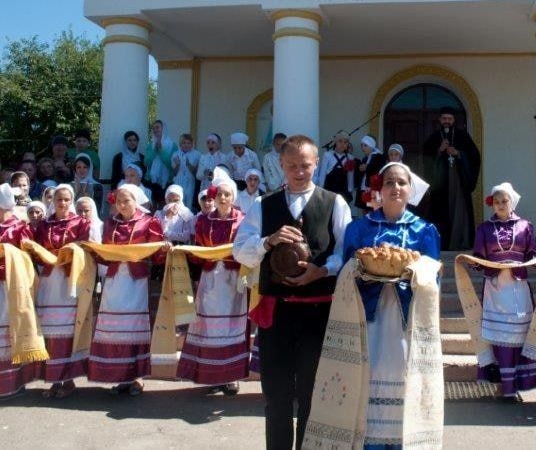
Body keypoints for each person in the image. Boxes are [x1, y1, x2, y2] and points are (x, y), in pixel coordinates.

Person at [233, 134, 351, 449]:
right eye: (292, 166)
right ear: (281, 165)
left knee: (313, 392)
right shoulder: (264, 204)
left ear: (316, 164)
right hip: (278, 311)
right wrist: (267, 241)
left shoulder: (334, 202)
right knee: (277, 394)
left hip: (318, 310)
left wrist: (322, 270)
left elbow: (347, 252)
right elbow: (240, 252)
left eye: (305, 165)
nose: (299, 172)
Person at [339, 161, 441, 445]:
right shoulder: (359, 228)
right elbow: (346, 270)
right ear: (379, 189)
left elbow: (433, 276)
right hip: (368, 314)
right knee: (368, 376)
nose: (395, 188)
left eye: (401, 183)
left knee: (403, 375)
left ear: (410, 190)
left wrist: (411, 273)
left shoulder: (424, 230)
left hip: (405, 316)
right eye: (389, 183)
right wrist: (365, 271)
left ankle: (400, 441)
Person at [472, 182, 536, 401]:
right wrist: (471, 263)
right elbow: (479, 257)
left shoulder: (525, 226)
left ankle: (515, 385)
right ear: (491, 204)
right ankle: (501, 385)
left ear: (511, 202)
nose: (501, 205)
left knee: (519, 335)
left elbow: (531, 253)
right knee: (498, 336)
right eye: (497, 202)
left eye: (505, 201)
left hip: (517, 287)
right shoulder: (484, 228)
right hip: (495, 287)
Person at [88, 184, 167, 395]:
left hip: (135, 281)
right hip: (114, 280)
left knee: (133, 328)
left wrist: (163, 248)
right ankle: (120, 376)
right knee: (115, 330)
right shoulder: (110, 222)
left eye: (127, 201)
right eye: (119, 201)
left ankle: (138, 378)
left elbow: (157, 256)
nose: (122, 205)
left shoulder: (149, 221)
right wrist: (91, 250)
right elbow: (105, 251)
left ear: (137, 200)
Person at [177, 169, 248, 394]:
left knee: (231, 326)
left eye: (227, 194)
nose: (223, 198)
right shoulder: (203, 221)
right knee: (209, 328)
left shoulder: (243, 221)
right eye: (219, 194)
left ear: (233, 197)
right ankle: (211, 375)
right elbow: (198, 250)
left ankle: (231, 376)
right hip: (210, 279)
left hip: (233, 280)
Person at [33, 184, 92, 399]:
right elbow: (37, 250)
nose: (63, 203)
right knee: (49, 330)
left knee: (67, 331)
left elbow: (85, 248)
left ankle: (68, 379)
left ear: (72, 201)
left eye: (67, 199)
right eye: (59, 199)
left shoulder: (81, 223)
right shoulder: (44, 225)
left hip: (70, 281)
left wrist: (69, 252)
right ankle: (53, 379)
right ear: (52, 201)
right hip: (50, 281)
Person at [422, 107, 481, 250]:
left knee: (459, 211)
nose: (447, 121)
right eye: (444, 119)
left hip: (458, 181)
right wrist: (439, 150)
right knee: (440, 213)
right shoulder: (434, 138)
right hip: (440, 185)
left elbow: (475, 157)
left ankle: (460, 242)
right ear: (440, 120)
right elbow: (425, 159)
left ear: (454, 120)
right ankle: (441, 244)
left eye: (449, 119)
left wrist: (459, 153)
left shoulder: (463, 136)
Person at [0, 183, 36, 399]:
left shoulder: (19, 227)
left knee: (8, 328)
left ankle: (11, 383)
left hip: (9, 284)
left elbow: (27, 255)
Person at [314, 131, 355, 203]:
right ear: (335, 142)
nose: (343, 144)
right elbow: (322, 173)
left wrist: (350, 189)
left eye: (345, 142)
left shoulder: (350, 158)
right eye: (340, 141)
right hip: (330, 188)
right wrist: (320, 188)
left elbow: (350, 175)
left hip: (343, 189)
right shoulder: (327, 155)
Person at [144, 120, 178, 205]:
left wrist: (162, 151)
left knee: (166, 207)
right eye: (153, 128)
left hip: (167, 181)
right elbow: (146, 163)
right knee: (152, 207)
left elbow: (171, 165)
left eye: (157, 127)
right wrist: (154, 151)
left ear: (164, 129)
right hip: (151, 180)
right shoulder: (150, 145)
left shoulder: (173, 145)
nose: (155, 130)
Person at [354, 135, 386, 212]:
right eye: (362, 145)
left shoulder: (379, 157)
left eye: (365, 145)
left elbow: (379, 170)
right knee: (364, 207)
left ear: (371, 146)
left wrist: (367, 168)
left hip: (373, 187)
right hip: (364, 186)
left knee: (373, 207)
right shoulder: (365, 158)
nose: (363, 148)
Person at [171, 134, 200, 209]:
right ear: (180, 144)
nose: (186, 145)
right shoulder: (175, 154)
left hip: (190, 183)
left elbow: (196, 173)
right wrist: (177, 165)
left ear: (192, 144)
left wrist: (188, 164)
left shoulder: (197, 155)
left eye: (188, 143)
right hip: (178, 182)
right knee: (177, 203)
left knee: (188, 205)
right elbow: (174, 173)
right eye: (184, 143)